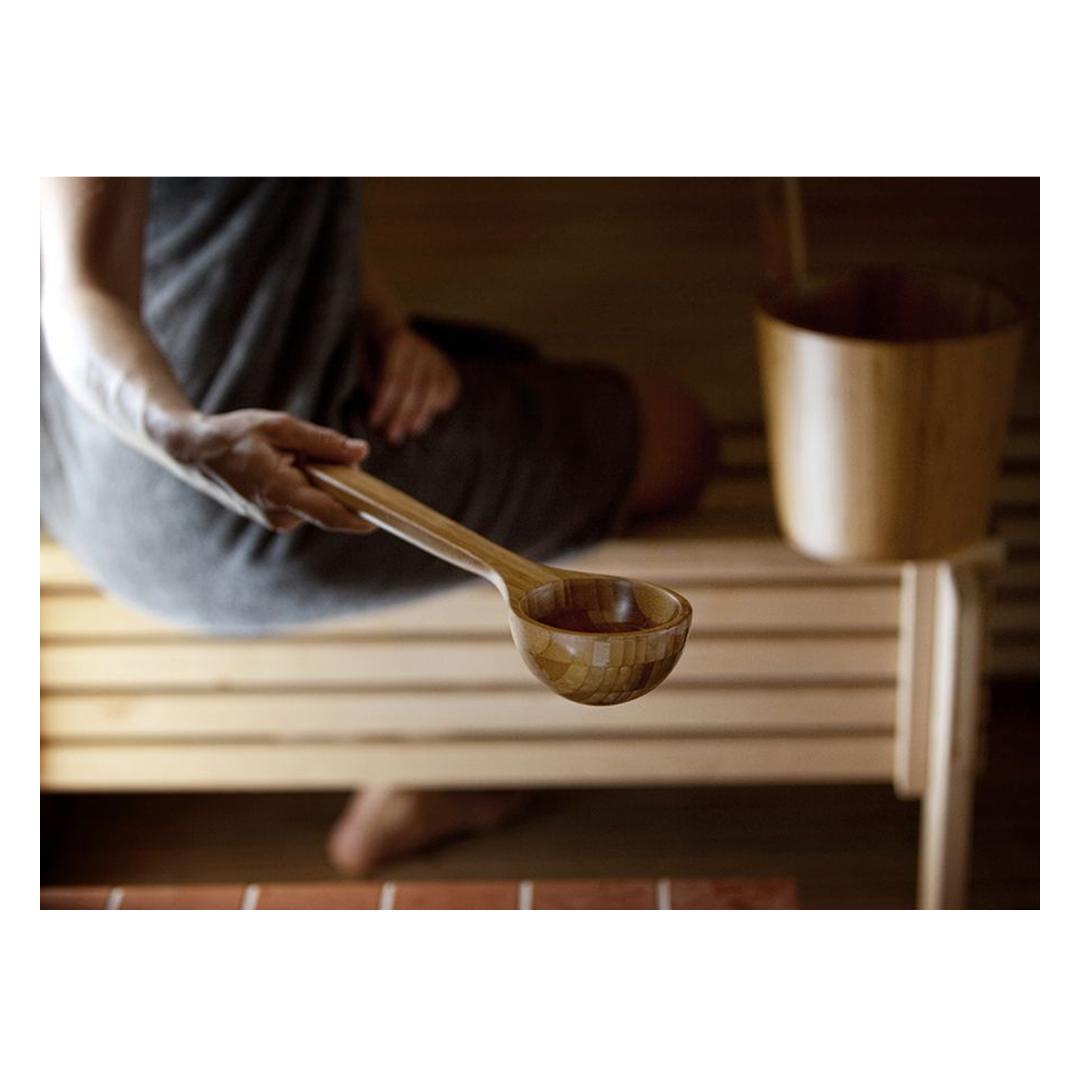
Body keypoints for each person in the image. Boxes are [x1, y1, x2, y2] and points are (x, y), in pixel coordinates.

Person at [40, 178, 715, 875]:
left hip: (74, 472)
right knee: (680, 439)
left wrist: (383, 324)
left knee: (512, 363)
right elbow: (77, 291)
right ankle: (438, 768)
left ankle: (431, 762)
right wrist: (183, 436)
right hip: (218, 490)